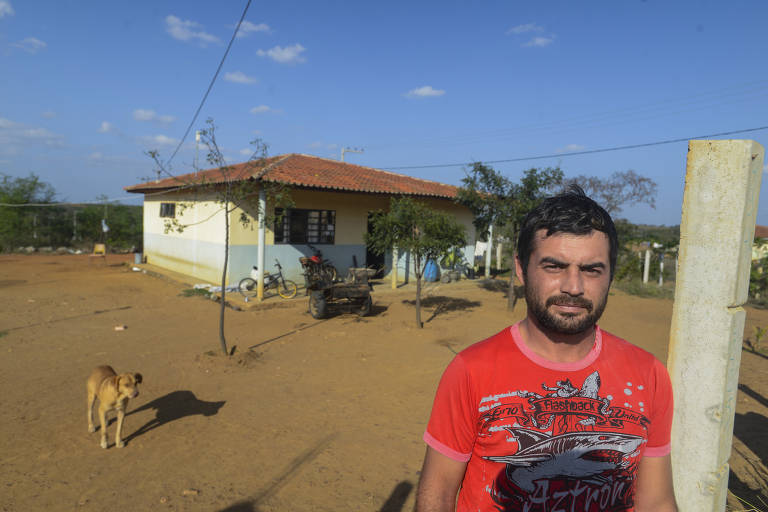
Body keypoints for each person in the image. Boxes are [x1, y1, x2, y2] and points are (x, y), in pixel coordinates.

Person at [415, 186, 677, 512]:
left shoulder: (648, 374)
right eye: (554, 266)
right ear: (522, 269)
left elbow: (657, 501)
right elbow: (437, 494)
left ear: (610, 274)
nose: (573, 287)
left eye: (591, 269)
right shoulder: (471, 370)